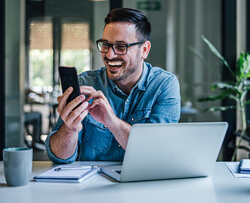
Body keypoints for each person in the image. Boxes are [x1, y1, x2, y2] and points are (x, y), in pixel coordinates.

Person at [45, 8, 181, 163]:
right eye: (105, 45)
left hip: (143, 184)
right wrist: (70, 129)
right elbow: (58, 157)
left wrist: (112, 121)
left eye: (121, 47)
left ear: (144, 50)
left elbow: (156, 154)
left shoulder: (163, 85)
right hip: (91, 185)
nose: (109, 55)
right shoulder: (85, 83)